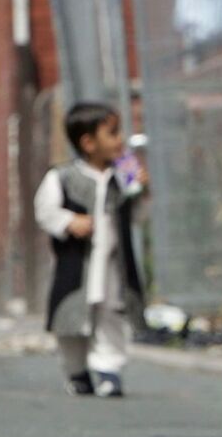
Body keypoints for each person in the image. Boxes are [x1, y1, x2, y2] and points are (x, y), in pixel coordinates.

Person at [34, 102, 146, 398]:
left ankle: (109, 370)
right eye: (112, 133)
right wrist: (70, 221)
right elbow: (45, 211)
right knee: (71, 319)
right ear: (88, 142)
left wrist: (141, 189)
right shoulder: (63, 176)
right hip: (79, 265)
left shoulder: (124, 172)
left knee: (111, 314)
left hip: (112, 263)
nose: (120, 140)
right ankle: (76, 371)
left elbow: (139, 214)